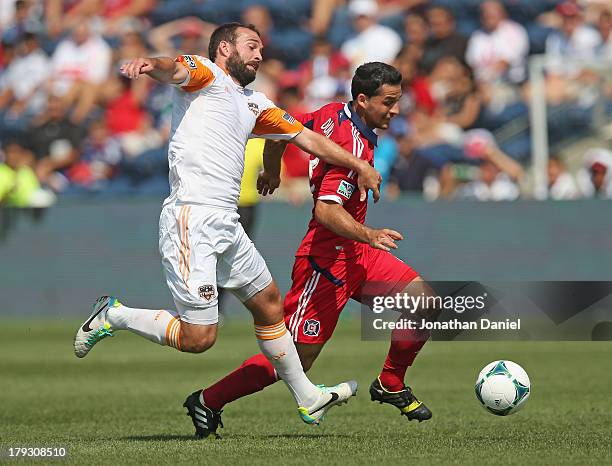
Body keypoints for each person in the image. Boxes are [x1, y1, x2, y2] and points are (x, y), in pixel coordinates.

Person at [72, 22, 383, 438]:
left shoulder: (254, 102)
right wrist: (152, 65)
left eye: (261, 48)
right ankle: (114, 314)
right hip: (192, 218)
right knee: (200, 337)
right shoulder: (206, 74)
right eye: (251, 46)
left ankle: (306, 396)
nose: (259, 55)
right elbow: (175, 68)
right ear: (224, 48)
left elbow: (305, 138)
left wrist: (358, 163)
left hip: (226, 220)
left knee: (270, 304)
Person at [198, 62, 438, 439]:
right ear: (362, 100)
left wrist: (272, 171)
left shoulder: (330, 113)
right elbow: (327, 212)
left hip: (358, 254)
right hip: (326, 262)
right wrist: (369, 233)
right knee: (295, 362)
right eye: (388, 102)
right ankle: (208, 400)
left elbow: (281, 132)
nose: (394, 110)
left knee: (423, 302)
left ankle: (390, 381)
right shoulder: (351, 146)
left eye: (397, 101)